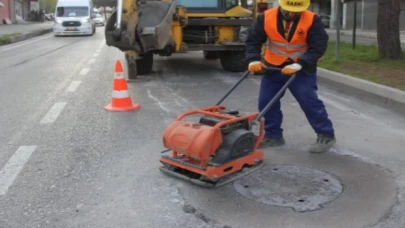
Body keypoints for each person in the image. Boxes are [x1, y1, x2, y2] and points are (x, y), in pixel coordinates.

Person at [245, 0, 336, 153]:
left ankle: (326, 135)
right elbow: (253, 40)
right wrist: (253, 59)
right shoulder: (266, 17)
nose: (292, 14)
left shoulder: (313, 20)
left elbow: (318, 46)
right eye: (288, 11)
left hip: (300, 69)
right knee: (266, 102)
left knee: (309, 101)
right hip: (273, 67)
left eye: (296, 11)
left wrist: (301, 64)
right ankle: (273, 136)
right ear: (281, 5)